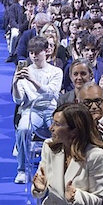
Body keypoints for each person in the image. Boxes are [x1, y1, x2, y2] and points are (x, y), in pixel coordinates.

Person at [11, 36, 63, 183]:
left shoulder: (56, 71)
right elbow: (19, 100)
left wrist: (33, 80)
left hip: (51, 109)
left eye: (37, 52)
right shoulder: (25, 71)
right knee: (22, 129)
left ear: (46, 52)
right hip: (31, 110)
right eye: (31, 53)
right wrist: (15, 83)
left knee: (60, 132)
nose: (34, 56)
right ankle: (22, 170)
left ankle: (58, 168)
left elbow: (52, 93)